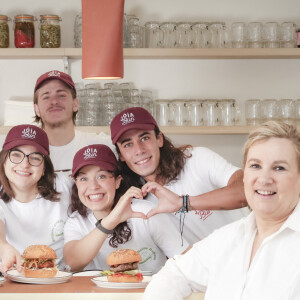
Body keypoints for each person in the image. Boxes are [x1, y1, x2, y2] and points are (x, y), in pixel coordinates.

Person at [143, 121, 300, 300]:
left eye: (279, 168)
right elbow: (175, 273)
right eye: (255, 166)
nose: (264, 179)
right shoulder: (227, 239)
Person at [110, 107, 248, 245]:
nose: (139, 150)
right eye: (128, 144)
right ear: (121, 155)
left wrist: (183, 203)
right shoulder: (134, 199)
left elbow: (247, 189)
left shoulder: (197, 158)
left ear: (159, 139)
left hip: (248, 253)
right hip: (200, 265)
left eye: (145, 138)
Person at [63, 144, 190, 273]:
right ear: (76, 184)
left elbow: (187, 259)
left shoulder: (145, 211)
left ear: (117, 181)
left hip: (151, 290)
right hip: (99, 293)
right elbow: (72, 264)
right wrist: (111, 220)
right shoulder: (76, 222)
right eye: (84, 178)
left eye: (101, 176)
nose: (93, 186)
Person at [0, 124, 72, 274]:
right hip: (14, 276)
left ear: (44, 167)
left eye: (35, 158)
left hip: (62, 277)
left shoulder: (63, 185)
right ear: (4, 159)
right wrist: (3, 246)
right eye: (16, 155)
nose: (24, 164)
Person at [33, 70, 112, 172]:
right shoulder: (27, 154)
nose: (54, 101)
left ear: (75, 104)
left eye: (61, 95)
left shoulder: (101, 145)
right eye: (46, 97)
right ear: (36, 109)